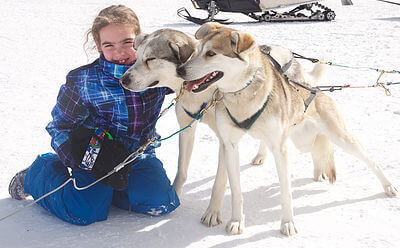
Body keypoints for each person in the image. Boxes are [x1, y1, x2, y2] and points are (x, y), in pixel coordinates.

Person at [8, 5, 180, 226]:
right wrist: (77, 157)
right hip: (97, 156)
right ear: (99, 46)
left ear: (140, 40)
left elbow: (190, 80)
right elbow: (59, 126)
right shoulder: (84, 81)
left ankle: (107, 193)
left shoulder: (155, 73)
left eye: (127, 42)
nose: (119, 53)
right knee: (83, 212)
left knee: (162, 203)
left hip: (137, 156)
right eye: (109, 45)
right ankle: (37, 174)